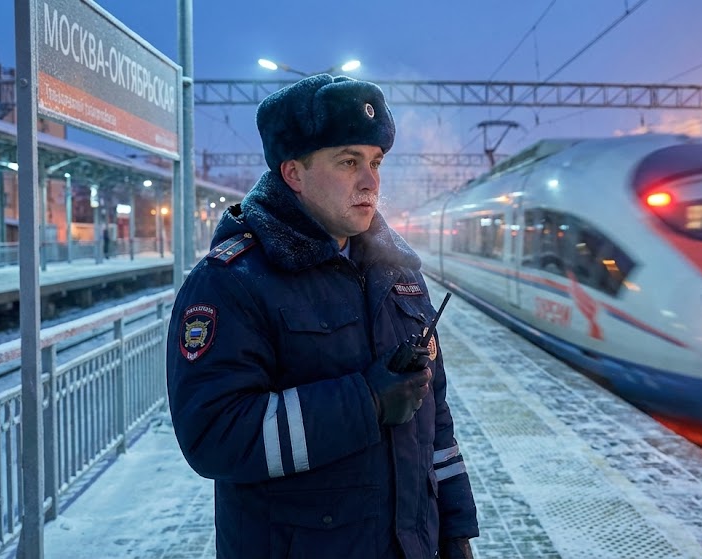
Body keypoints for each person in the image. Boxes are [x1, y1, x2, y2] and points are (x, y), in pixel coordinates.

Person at [166, 74, 479, 559]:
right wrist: (367, 402)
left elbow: (435, 419)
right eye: (349, 161)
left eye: (375, 162)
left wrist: (455, 531)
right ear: (294, 173)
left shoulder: (399, 274)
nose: (371, 181)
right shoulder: (232, 282)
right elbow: (214, 435)